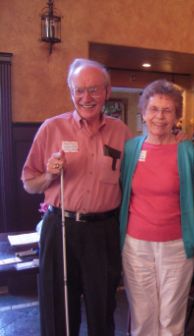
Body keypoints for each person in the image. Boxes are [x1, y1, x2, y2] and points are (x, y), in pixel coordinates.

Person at [22, 58, 131, 336]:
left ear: (106, 92)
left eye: (94, 90)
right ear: (71, 93)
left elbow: (133, 183)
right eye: (79, 90)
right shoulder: (51, 128)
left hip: (103, 231)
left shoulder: (121, 132)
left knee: (102, 308)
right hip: (60, 229)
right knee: (58, 310)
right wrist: (48, 175)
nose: (86, 97)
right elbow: (29, 183)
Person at [119, 79, 194, 336]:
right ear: (143, 113)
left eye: (167, 110)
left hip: (176, 246)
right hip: (135, 246)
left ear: (177, 115)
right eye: (154, 109)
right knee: (142, 317)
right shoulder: (131, 148)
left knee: (171, 319)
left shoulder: (187, 150)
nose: (160, 117)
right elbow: (121, 190)